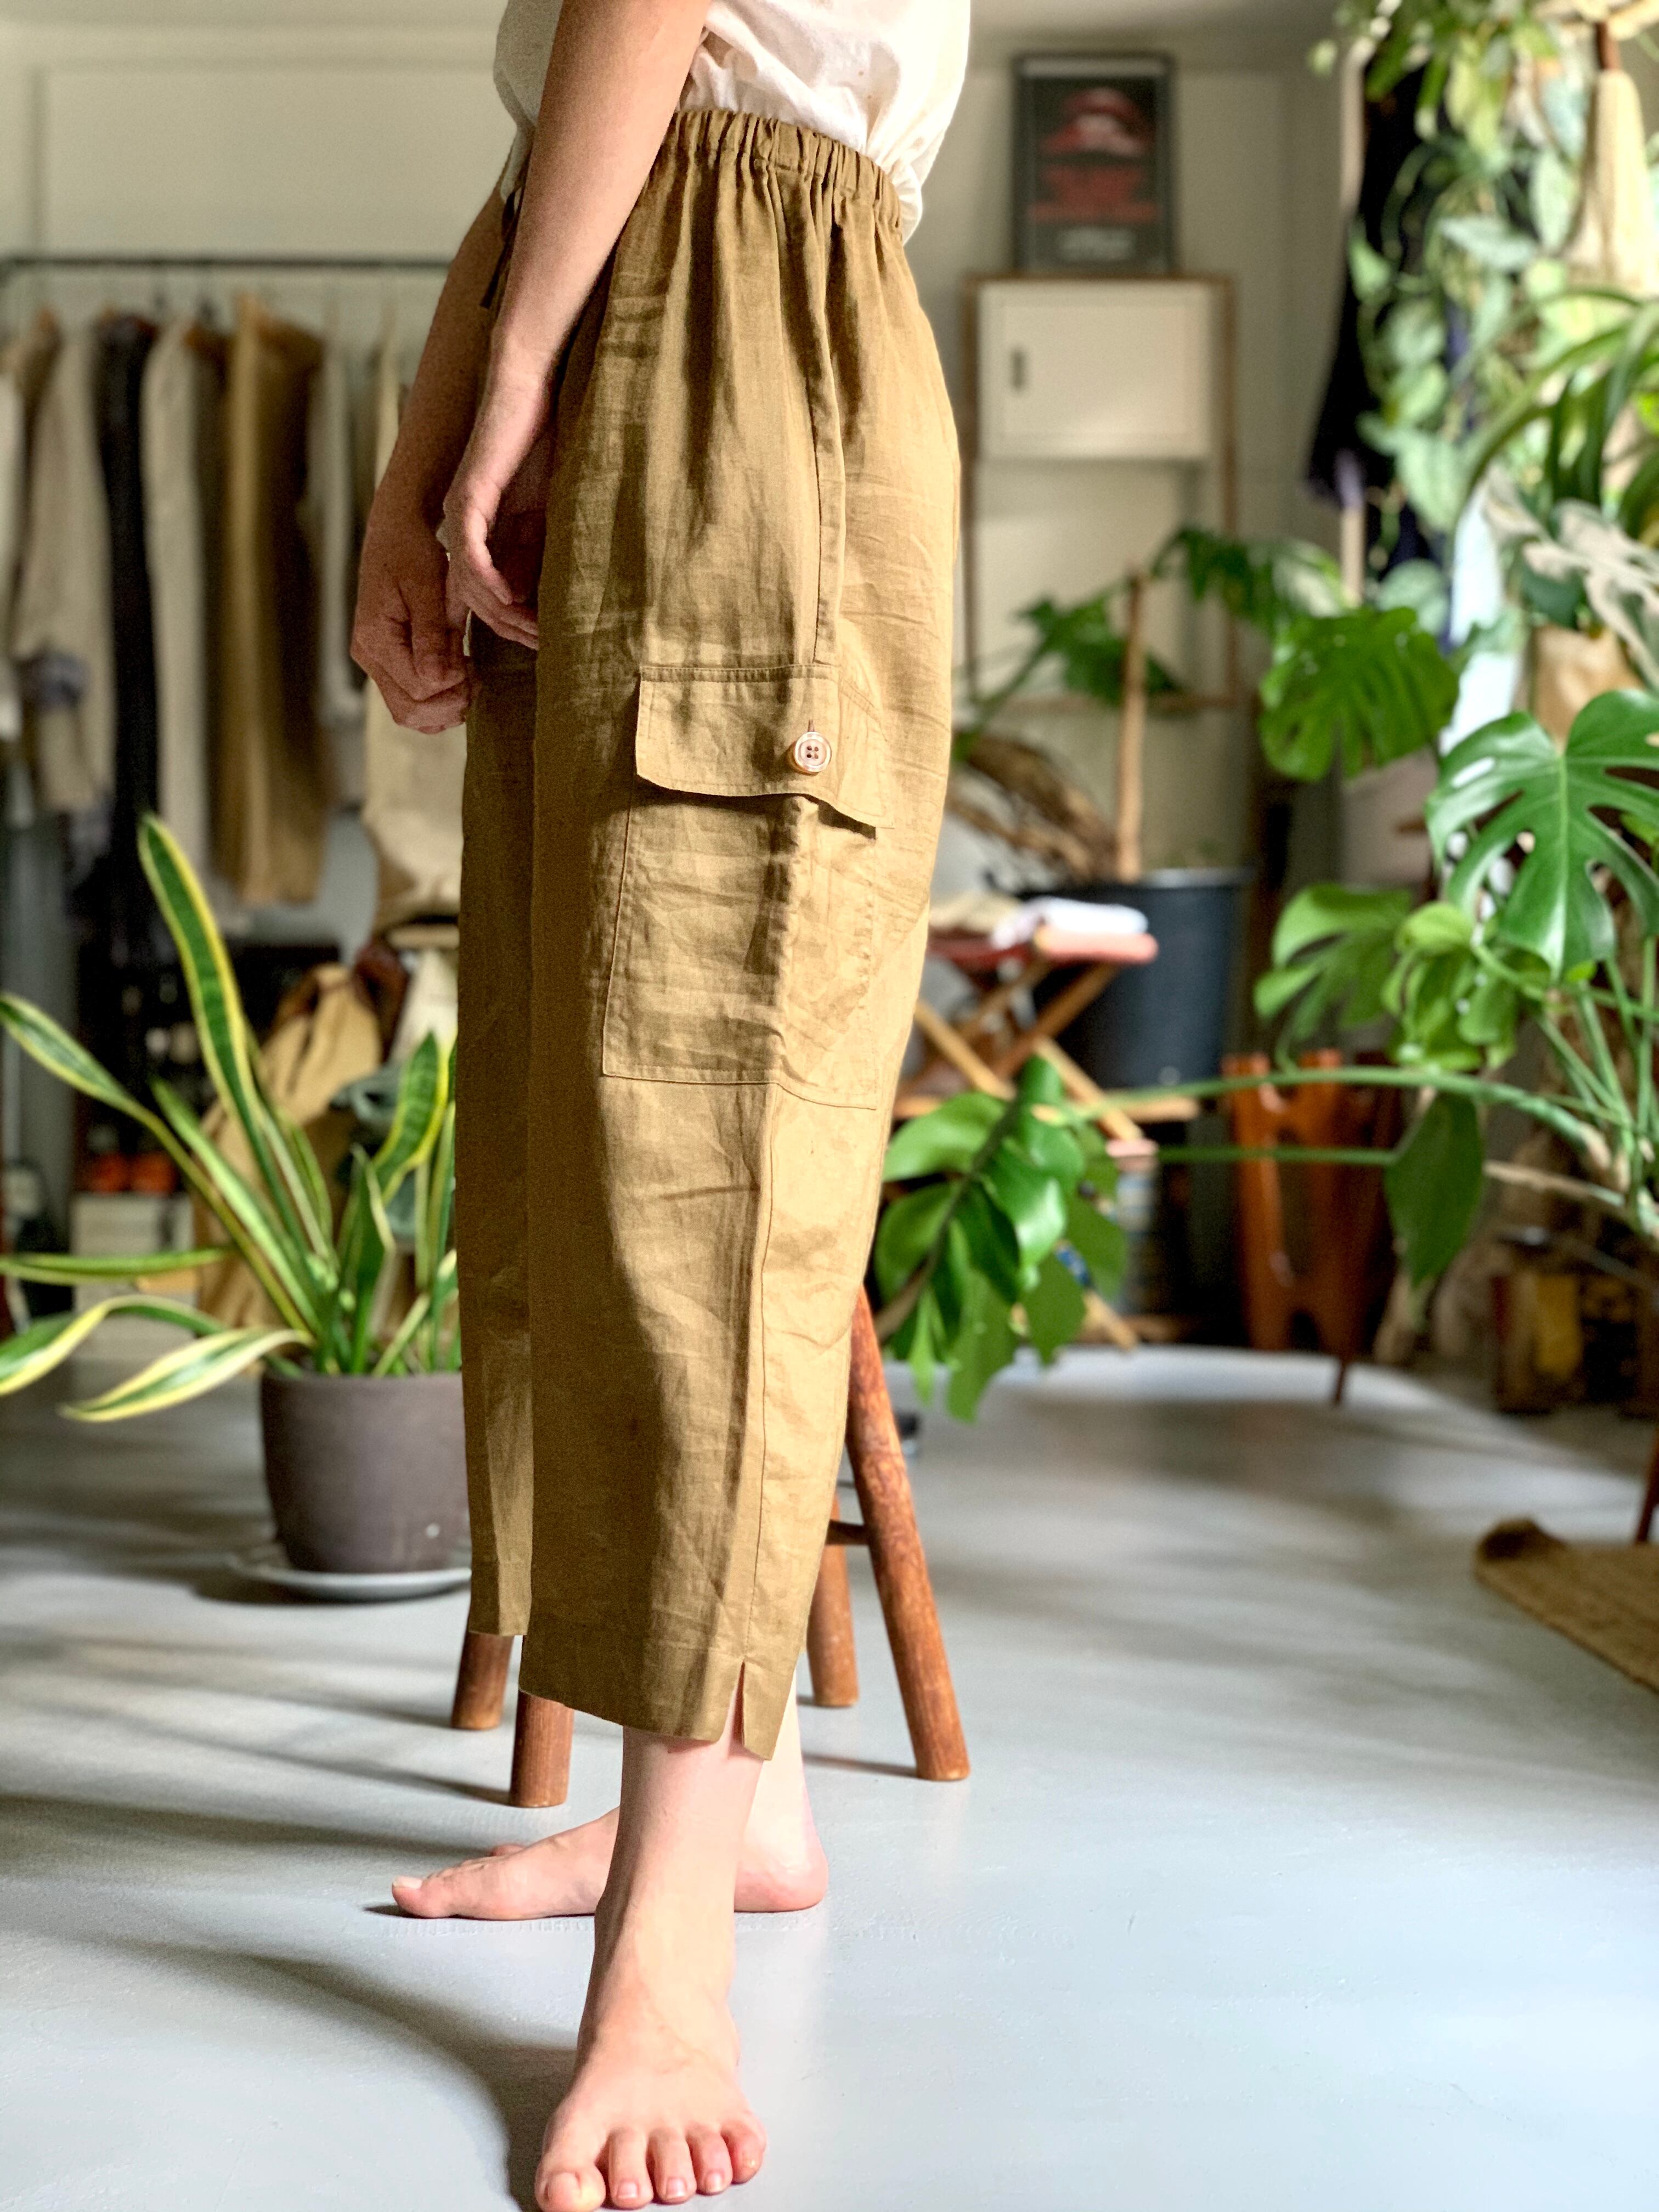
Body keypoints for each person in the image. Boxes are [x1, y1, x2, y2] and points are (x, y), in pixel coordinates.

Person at [351, 2, 968, 2204]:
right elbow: (569, 101)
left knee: (713, 1135)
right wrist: (446, 426)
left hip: (735, 312)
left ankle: (672, 1948)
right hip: (615, 263)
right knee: (585, 1116)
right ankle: (744, 1800)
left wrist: (509, 383)